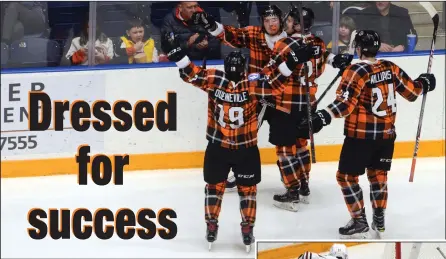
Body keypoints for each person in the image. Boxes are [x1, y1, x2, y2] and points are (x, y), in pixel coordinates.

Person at [162, 31, 312, 251]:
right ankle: (247, 228)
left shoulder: (215, 78)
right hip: (244, 149)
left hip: (219, 147)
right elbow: (276, 84)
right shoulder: (252, 82)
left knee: (214, 189)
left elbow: (191, 74)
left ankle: (212, 225)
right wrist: (292, 61)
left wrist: (176, 53)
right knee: (247, 191)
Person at [298, 30, 436, 238]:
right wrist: (424, 83)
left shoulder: (356, 71)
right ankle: (379, 220)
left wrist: (322, 117)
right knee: (378, 176)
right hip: (386, 137)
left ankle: (359, 220)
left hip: (360, 138)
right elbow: (412, 92)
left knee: (345, 177)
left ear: (359, 48)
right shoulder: (389, 67)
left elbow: (344, 105)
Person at [190, 5, 289, 192]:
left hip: (280, 96)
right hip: (253, 96)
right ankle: (237, 171)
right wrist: (212, 25)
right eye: (266, 20)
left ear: (281, 19)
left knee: (284, 142)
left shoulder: (290, 40)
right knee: (241, 136)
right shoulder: (254, 34)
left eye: (274, 19)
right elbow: (231, 35)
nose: (271, 24)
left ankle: (293, 181)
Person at [263, 6, 352, 210]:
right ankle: (304, 186)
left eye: (290, 20)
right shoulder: (317, 42)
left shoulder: (283, 44)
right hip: (309, 105)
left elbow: (269, 74)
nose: (286, 22)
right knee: (301, 145)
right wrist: (335, 59)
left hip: (285, 104)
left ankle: (292, 192)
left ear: (296, 24)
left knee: (285, 149)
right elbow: (325, 56)